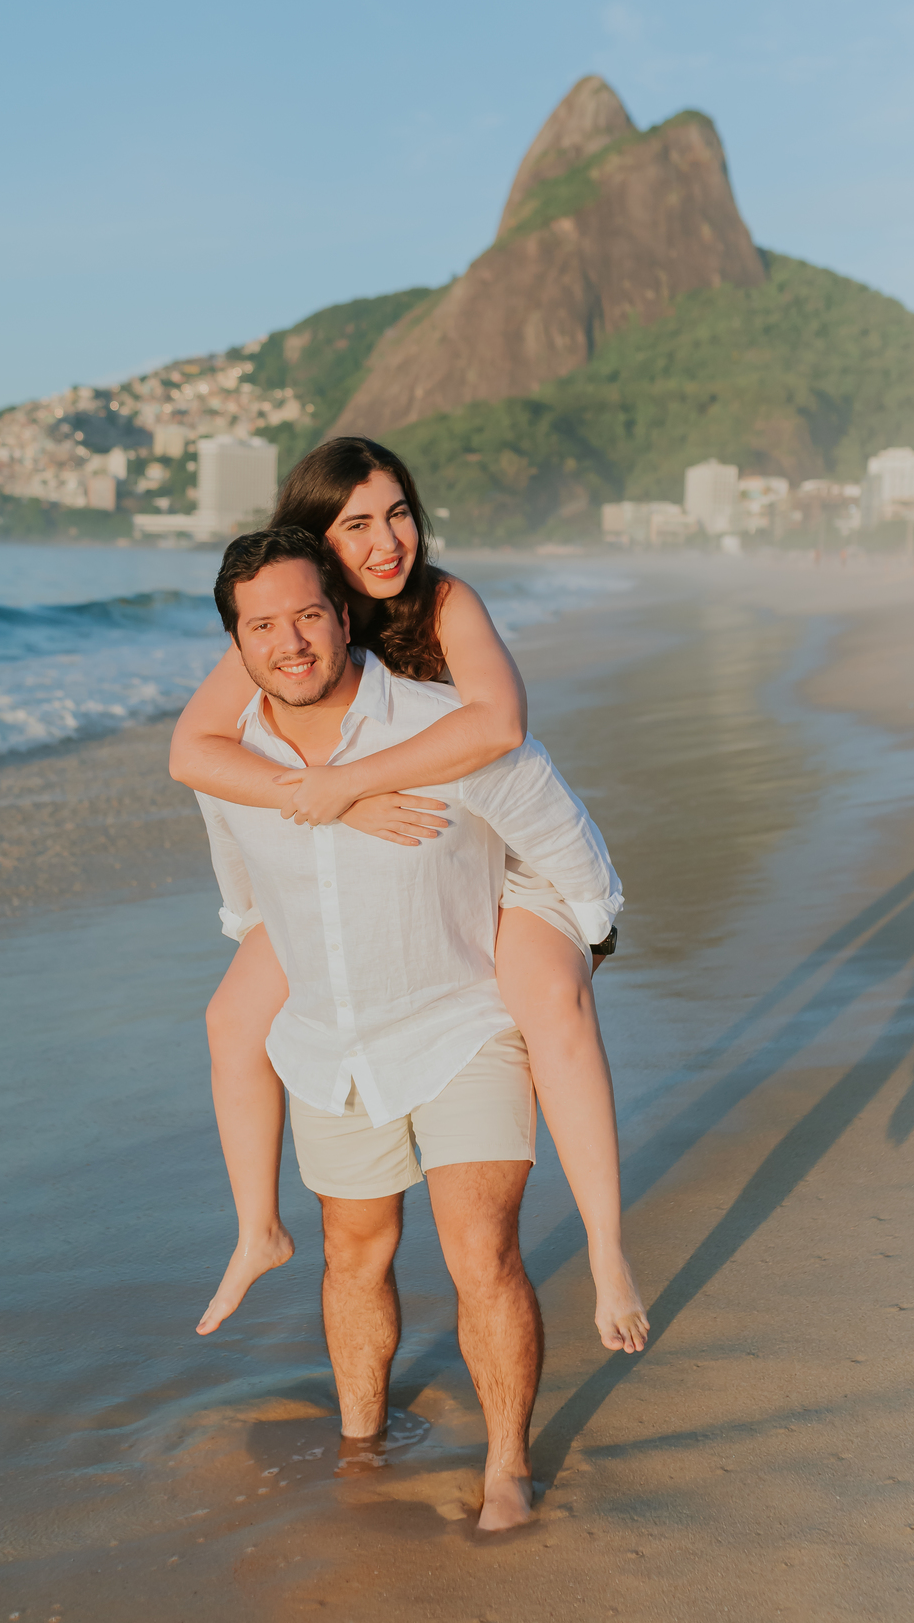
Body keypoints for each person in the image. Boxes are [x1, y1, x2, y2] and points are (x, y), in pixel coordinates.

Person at [169, 437, 647, 1357]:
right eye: (356, 523)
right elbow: (199, 753)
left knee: (550, 1000)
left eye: (398, 511)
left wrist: (353, 783)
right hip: (372, 854)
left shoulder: (444, 598)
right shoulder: (291, 616)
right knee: (232, 1018)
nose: (388, 540)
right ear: (313, 542)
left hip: (497, 853)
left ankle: (608, 1249)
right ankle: (257, 1229)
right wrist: (333, 803)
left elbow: (499, 726)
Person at [195, 526, 626, 1529]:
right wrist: (334, 821)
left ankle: (507, 1470)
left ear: (345, 617)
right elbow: (243, 898)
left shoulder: (446, 727)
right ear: (238, 646)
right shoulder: (230, 763)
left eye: (309, 614)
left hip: (462, 1023)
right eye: (263, 626)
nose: (291, 641)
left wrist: (566, 954)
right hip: (329, 1044)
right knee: (354, 1251)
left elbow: (572, 855)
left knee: (482, 1250)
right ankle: (360, 1437)